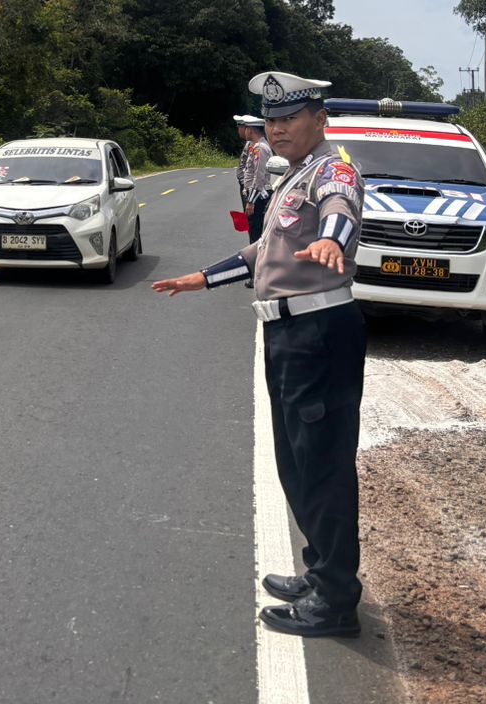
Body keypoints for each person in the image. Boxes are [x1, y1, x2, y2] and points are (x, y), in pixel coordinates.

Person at [153, 72, 366, 638]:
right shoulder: (292, 176)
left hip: (319, 332)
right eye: (270, 120)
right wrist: (204, 277)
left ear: (318, 119)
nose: (276, 128)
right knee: (297, 463)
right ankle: (322, 573)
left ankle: (336, 601)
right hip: (288, 335)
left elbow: (340, 209)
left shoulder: (332, 170)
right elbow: (262, 251)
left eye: (288, 118)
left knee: (322, 466)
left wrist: (333, 240)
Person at [233, 114, 272, 242]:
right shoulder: (256, 146)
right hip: (255, 196)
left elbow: (259, 176)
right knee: (252, 230)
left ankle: (256, 260)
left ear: (251, 130)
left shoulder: (260, 148)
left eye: (246, 128)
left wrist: (251, 201)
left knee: (256, 234)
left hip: (258, 197)